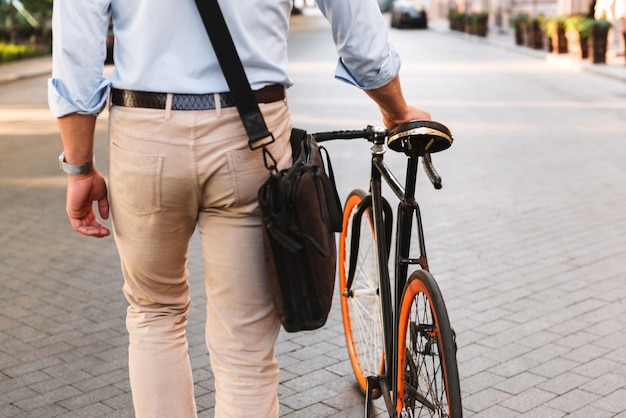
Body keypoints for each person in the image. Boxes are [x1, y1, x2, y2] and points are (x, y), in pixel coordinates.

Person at [48, 0, 430, 417]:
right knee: (245, 349)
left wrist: (79, 165)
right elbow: (357, 24)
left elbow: (77, 44)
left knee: (154, 314)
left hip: (145, 134)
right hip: (253, 134)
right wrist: (397, 110)